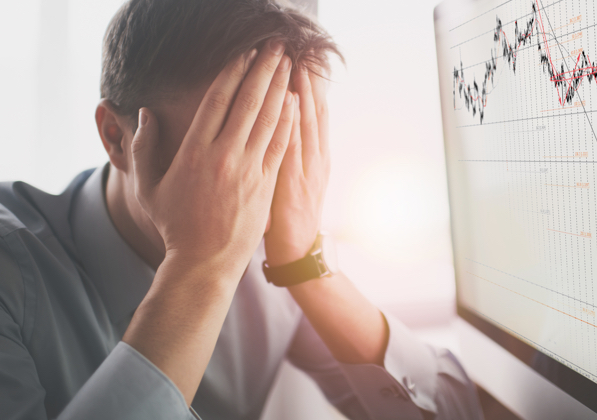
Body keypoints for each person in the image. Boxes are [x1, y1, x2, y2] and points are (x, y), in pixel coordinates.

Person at [0, 0, 483, 419]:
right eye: (224, 150)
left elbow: (462, 413)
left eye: (280, 145)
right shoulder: (12, 276)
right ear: (116, 138)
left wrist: (305, 267)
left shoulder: (273, 262)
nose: (254, 185)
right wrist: (199, 269)